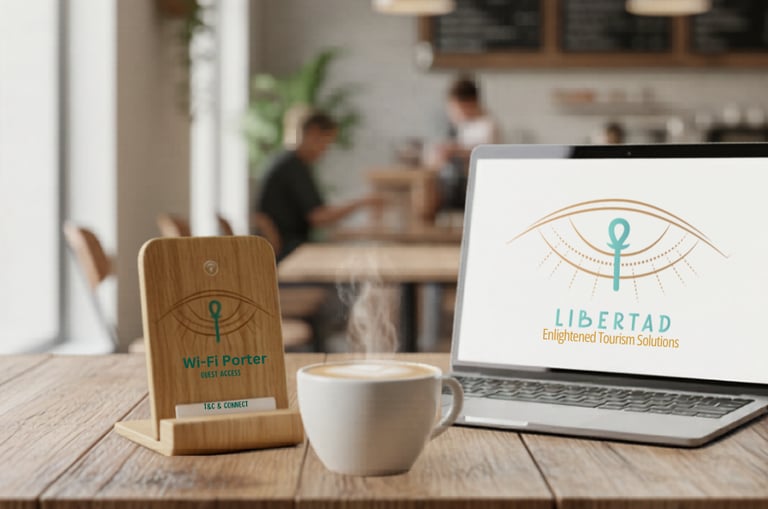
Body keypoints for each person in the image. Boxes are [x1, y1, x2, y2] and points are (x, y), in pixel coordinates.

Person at [256, 111, 381, 260]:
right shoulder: (293, 168)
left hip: (289, 249)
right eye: (326, 143)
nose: (325, 151)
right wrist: (362, 202)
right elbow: (319, 217)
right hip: (288, 253)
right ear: (314, 133)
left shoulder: (288, 163)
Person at [428, 77, 501, 209]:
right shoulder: (465, 126)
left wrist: (454, 151)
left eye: (456, 108)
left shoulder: (488, 125)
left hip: (479, 189)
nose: (453, 113)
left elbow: (483, 152)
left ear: (469, 103)